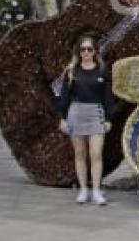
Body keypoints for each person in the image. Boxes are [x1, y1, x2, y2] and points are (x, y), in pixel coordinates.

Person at [56, 35, 114, 205]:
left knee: (96, 154)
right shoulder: (72, 71)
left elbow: (107, 97)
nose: (86, 52)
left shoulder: (102, 70)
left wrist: (108, 119)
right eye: (83, 49)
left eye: (89, 49)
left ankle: (96, 191)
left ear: (95, 51)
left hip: (96, 114)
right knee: (80, 154)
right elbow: (64, 96)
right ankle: (83, 190)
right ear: (79, 52)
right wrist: (62, 118)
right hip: (76, 114)